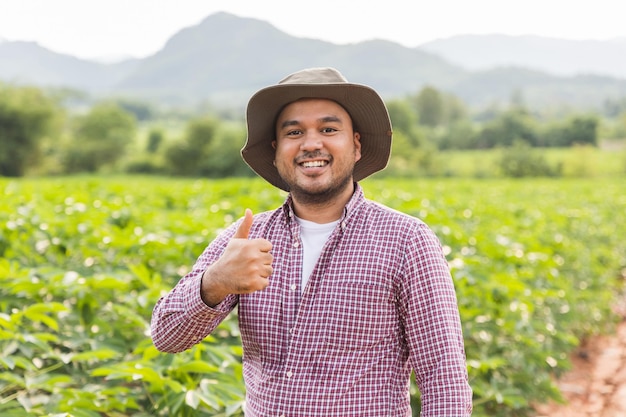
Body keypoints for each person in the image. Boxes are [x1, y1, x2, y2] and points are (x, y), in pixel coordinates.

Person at [151, 67, 473, 416]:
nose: (311, 143)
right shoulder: (245, 239)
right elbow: (167, 336)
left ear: (357, 144)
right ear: (277, 151)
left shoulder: (406, 240)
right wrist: (214, 282)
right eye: (294, 132)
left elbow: (444, 380)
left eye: (329, 129)